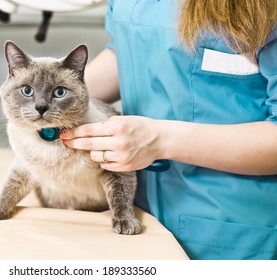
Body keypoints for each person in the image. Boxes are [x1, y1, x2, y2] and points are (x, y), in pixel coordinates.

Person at [60, 0, 277, 260]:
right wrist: (54, 97)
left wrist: (160, 140)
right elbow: (128, 52)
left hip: (229, 228)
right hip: (141, 213)